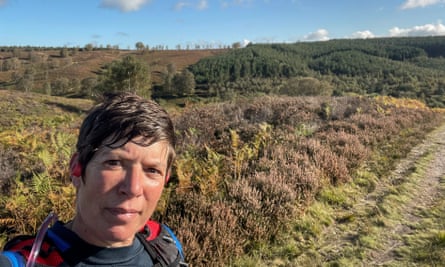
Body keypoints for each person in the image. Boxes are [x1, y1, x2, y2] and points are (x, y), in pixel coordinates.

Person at [0, 92, 187, 267]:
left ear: (166, 180)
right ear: (77, 168)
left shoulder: (165, 246)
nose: (133, 188)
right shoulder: (24, 261)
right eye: (114, 163)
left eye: (152, 170)